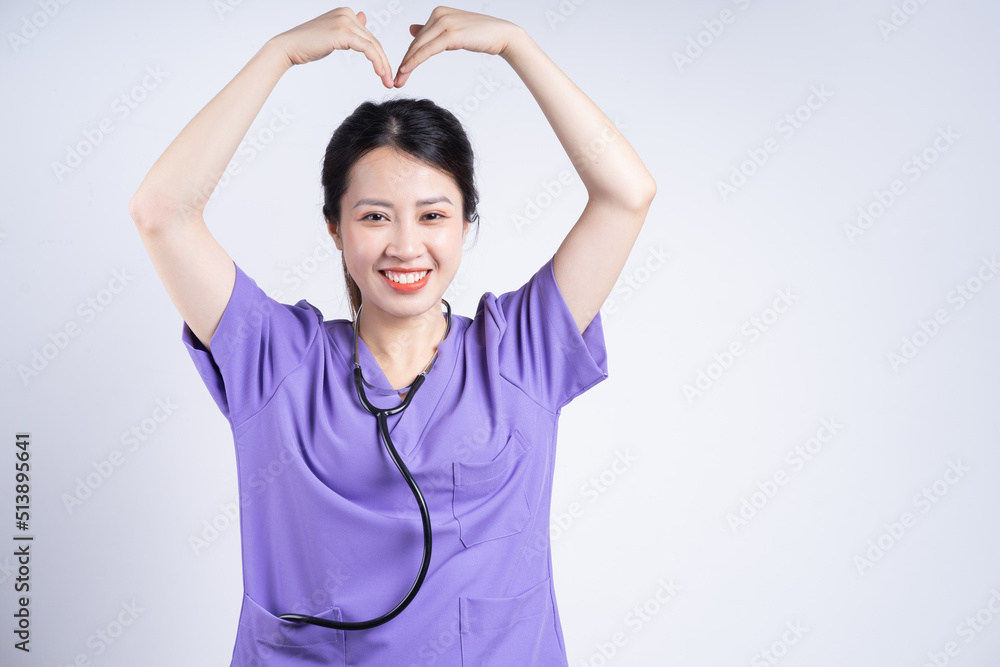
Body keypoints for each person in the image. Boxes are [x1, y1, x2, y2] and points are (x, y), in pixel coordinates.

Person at [129, 6, 655, 666]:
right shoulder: (275, 361)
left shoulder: (522, 350)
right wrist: (277, 54)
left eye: (433, 214)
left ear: (465, 224)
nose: (406, 245)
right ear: (336, 228)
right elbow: (161, 211)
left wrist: (516, 46)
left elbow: (626, 193)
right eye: (375, 215)